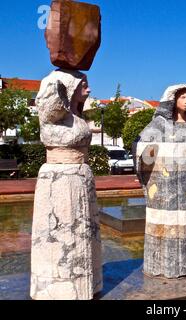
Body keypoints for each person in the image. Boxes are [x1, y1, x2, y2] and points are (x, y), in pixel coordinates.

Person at [31, 70, 102, 300]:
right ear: (70, 88)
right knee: (60, 234)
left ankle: (85, 282)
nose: (88, 90)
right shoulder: (55, 121)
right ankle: (59, 287)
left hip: (80, 175)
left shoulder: (77, 117)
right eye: (84, 85)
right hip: (61, 178)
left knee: (83, 233)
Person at [135, 84, 186, 279]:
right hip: (166, 188)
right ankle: (167, 265)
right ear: (172, 100)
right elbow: (142, 149)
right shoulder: (159, 126)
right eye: (183, 97)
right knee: (169, 225)